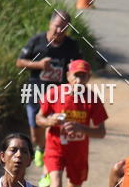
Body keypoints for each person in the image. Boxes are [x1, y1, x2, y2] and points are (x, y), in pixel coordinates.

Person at [36, 60, 108, 187]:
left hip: (78, 151)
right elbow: (39, 118)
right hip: (56, 148)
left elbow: (101, 132)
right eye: (76, 75)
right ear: (68, 76)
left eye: (83, 76)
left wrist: (82, 128)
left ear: (88, 77)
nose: (78, 80)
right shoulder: (54, 93)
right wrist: (50, 120)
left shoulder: (91, 98)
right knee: (56, 185)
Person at [16, 10, 82, 175]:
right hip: (35, 90)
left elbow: (78, 65)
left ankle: (51, 163)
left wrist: (73, 77)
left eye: (64, 28)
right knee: (35, 127)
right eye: (57, 26)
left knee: (54, 126)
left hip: (59, 93)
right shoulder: (37, 41)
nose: (59, 31)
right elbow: (19, 62)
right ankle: (40, 147)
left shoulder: (71, 45)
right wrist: (38, 65)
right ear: (50, 24)